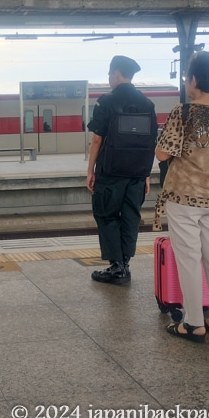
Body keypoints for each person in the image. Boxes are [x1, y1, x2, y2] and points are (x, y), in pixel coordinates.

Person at [155, 51, 209, 343]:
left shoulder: (185, 112)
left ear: (194, 79)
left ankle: (193, 323)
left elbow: (162, 153)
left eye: (186, 77)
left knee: (189, 258)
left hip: (185, 196)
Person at [86, 55, 157, 285]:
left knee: (106, 215)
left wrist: (91, 171)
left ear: (116, 73)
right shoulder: (148, 104)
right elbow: (150, 143)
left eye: (109, 74)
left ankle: (116, 267)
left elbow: (97, 140)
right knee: (130, 217)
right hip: (136, 174)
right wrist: (146, 174)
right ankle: (125, 264)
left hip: (110, 172)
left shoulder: (106, 101)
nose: (108, 79)